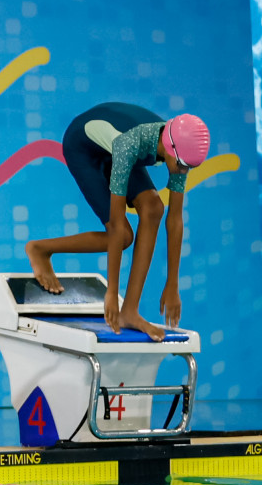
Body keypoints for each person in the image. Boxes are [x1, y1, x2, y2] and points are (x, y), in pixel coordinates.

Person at [26, 103, 209, 341]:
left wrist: (172, 283)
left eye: (190, 167)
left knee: (154, 208)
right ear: (170, 147)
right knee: (122, 235)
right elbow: (114, 224)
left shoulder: (177, 147)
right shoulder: (129, 145)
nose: (184, 172)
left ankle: (130, 312)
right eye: (183, 165)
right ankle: (40, 249)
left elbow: (174, 220)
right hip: (83, 148)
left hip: (114, 148)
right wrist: (112, 292)